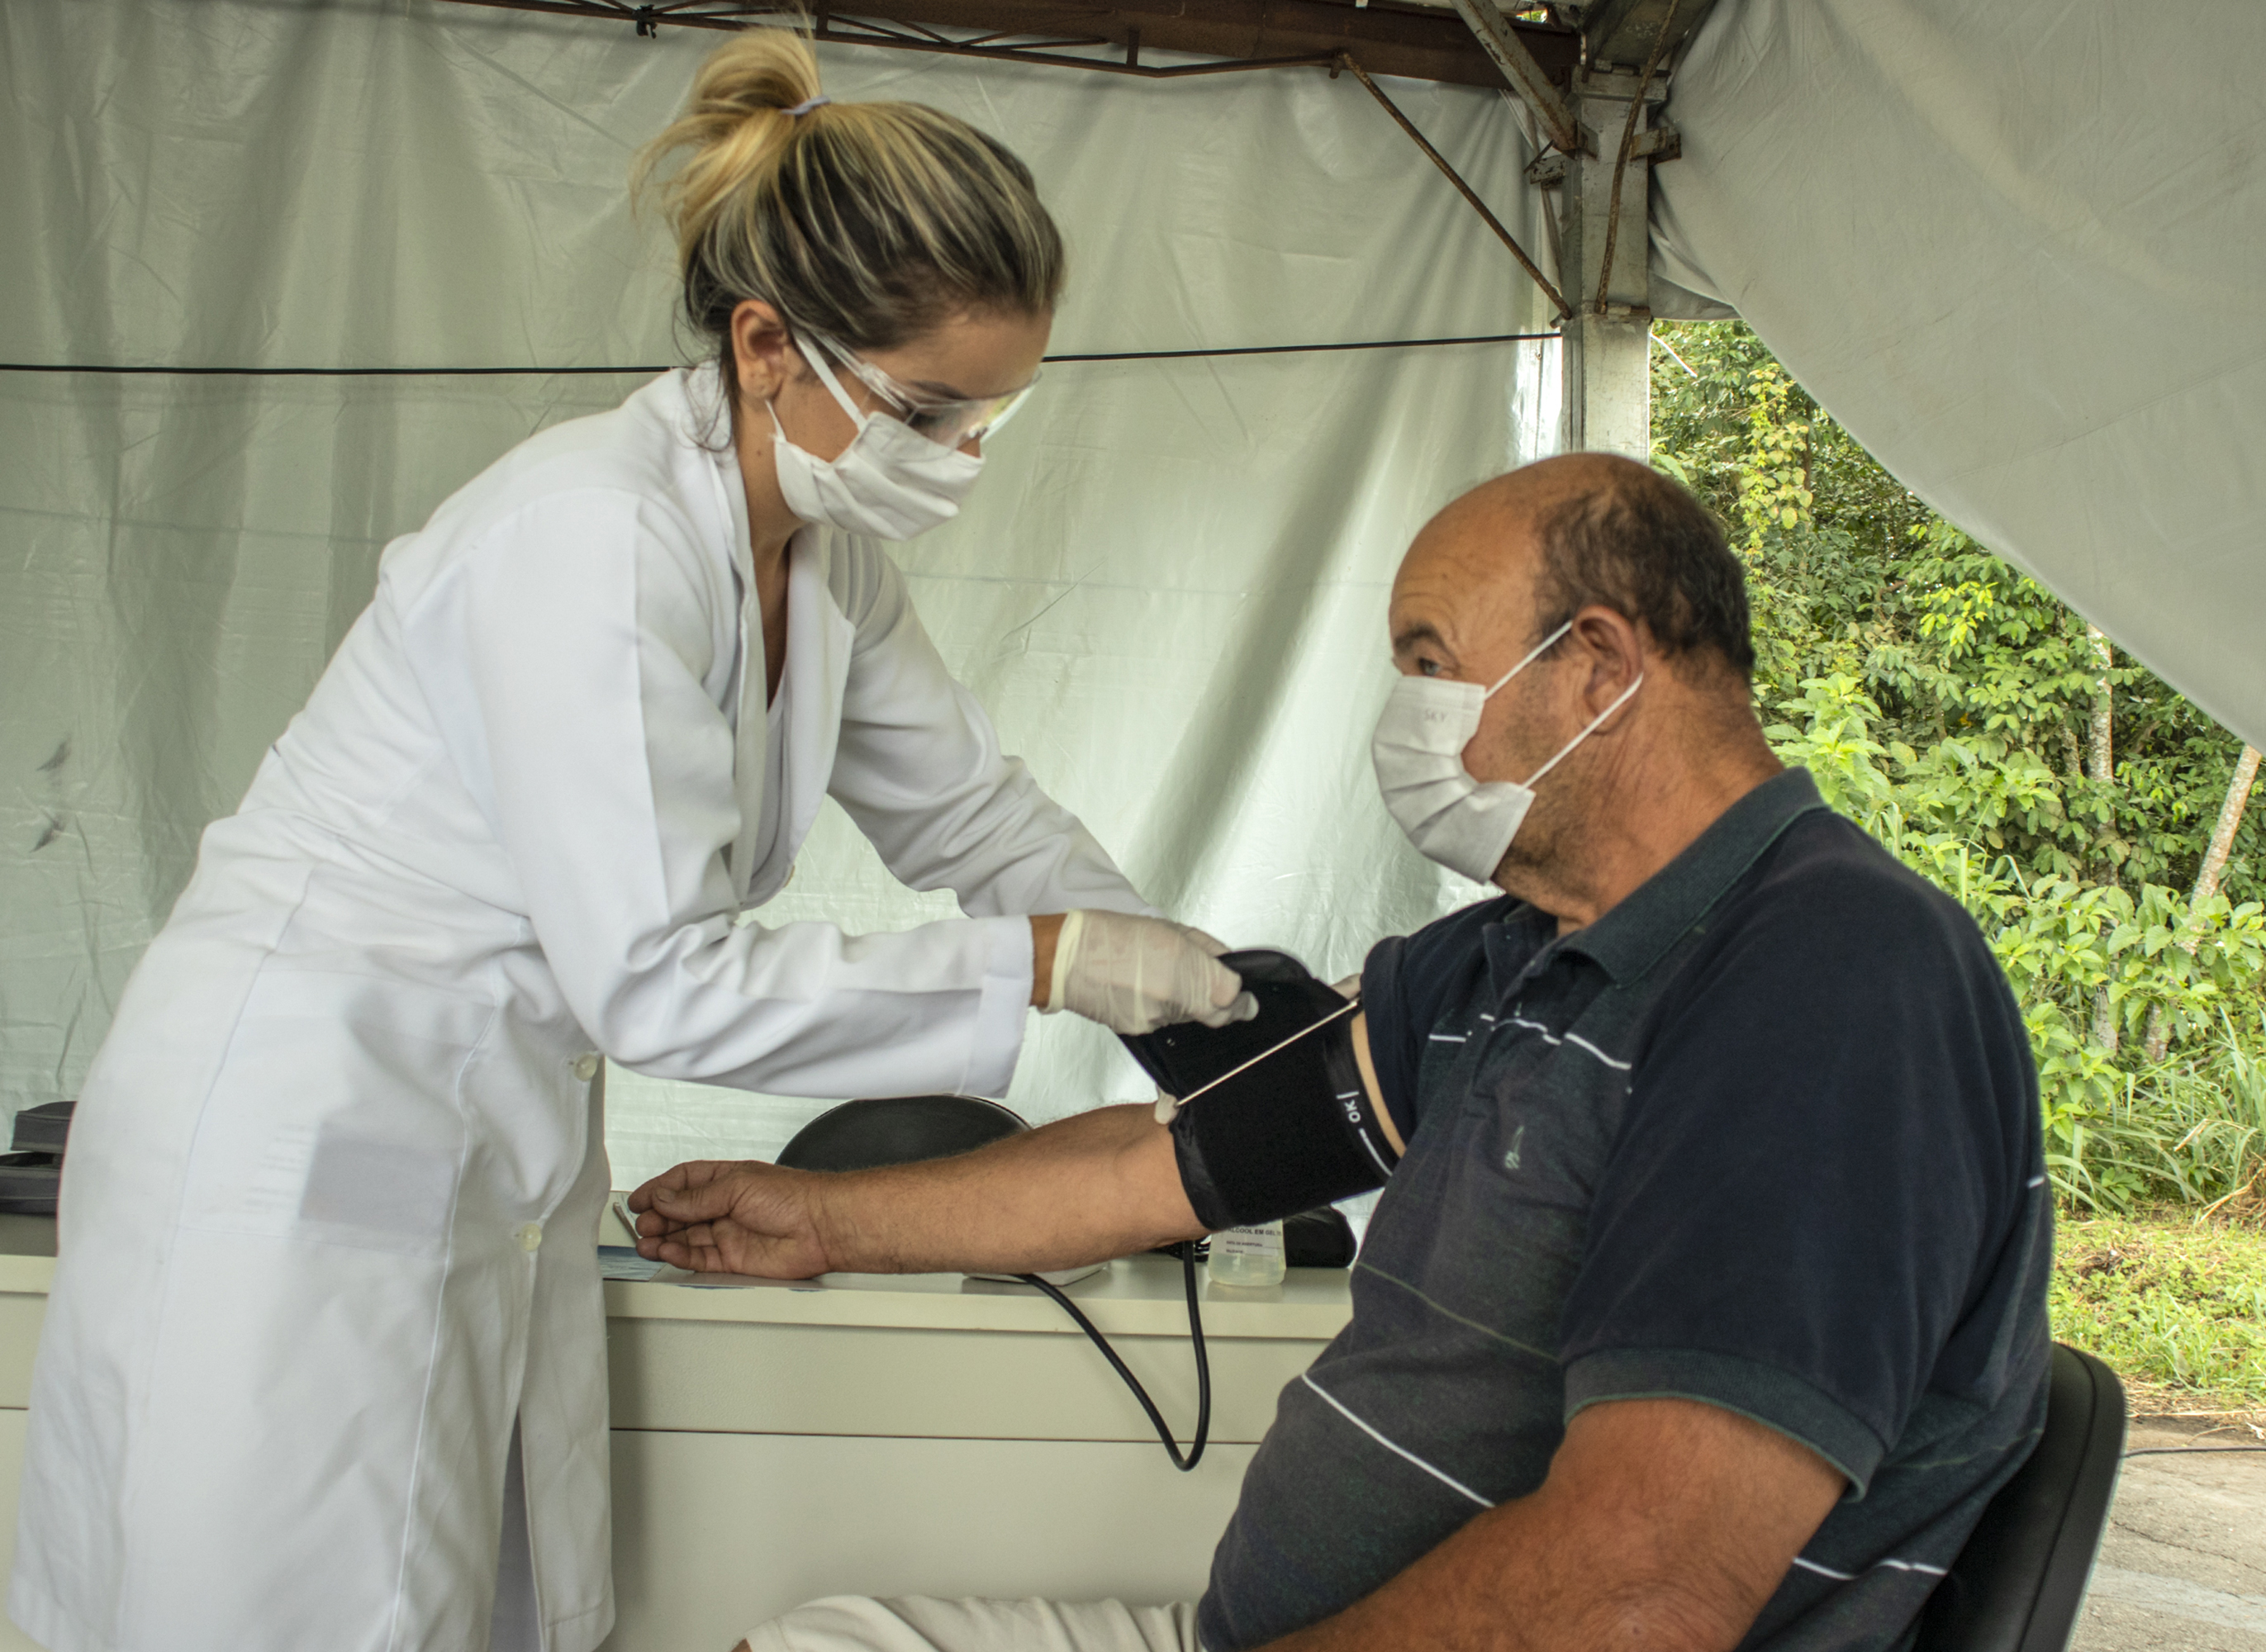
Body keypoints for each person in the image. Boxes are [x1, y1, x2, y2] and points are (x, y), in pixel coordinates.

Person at [10, 31, 1254, 1652]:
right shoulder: (588, 541)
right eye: (933, 411)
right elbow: (659, 985)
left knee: (464, 1599)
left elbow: (970, 810)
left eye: (989, 422)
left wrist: (1185, 973)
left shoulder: (821, 556)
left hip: (471, 1141)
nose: (958, 461)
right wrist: (1047, 966)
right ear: (765, 345)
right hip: (294, 1137)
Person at [629, 454, 2056, 1652]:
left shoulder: (1826, 981)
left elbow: (1640, 1586)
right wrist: (814, 1220)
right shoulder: (1512, 954)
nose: (1406, 719)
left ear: (1600, 670)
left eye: (1433, 666)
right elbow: (1160, 1167)